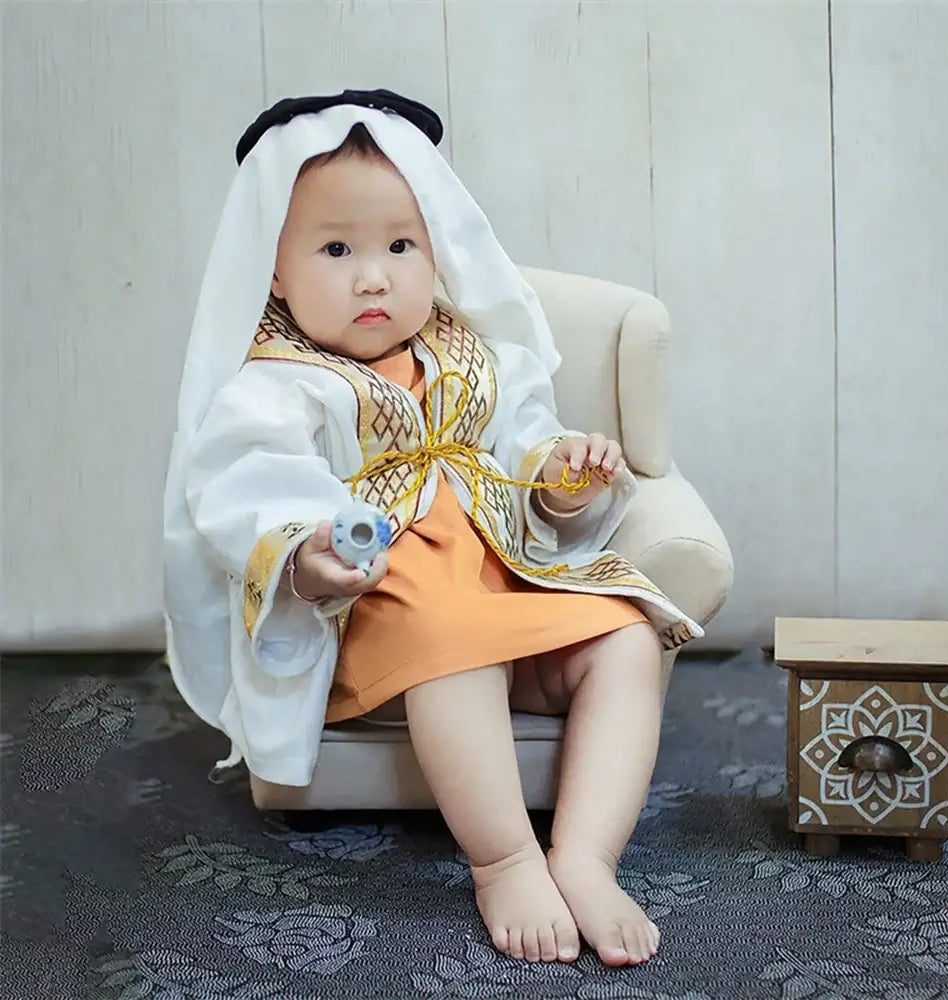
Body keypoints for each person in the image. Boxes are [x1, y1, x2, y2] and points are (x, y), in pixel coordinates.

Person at [163, 90, 703, 967]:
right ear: (273, 267)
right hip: (381, 617)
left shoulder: (480, 358)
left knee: (630, 638)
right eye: (336, 249)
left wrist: (563, 480)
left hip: (504, 580)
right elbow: (245, 494)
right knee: (454, 644)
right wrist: (305, 555)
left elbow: (526, 452)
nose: (372, 276)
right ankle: (506, 859)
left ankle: (587, 857)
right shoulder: (276, 385)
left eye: (399, 246)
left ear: (438, 251)